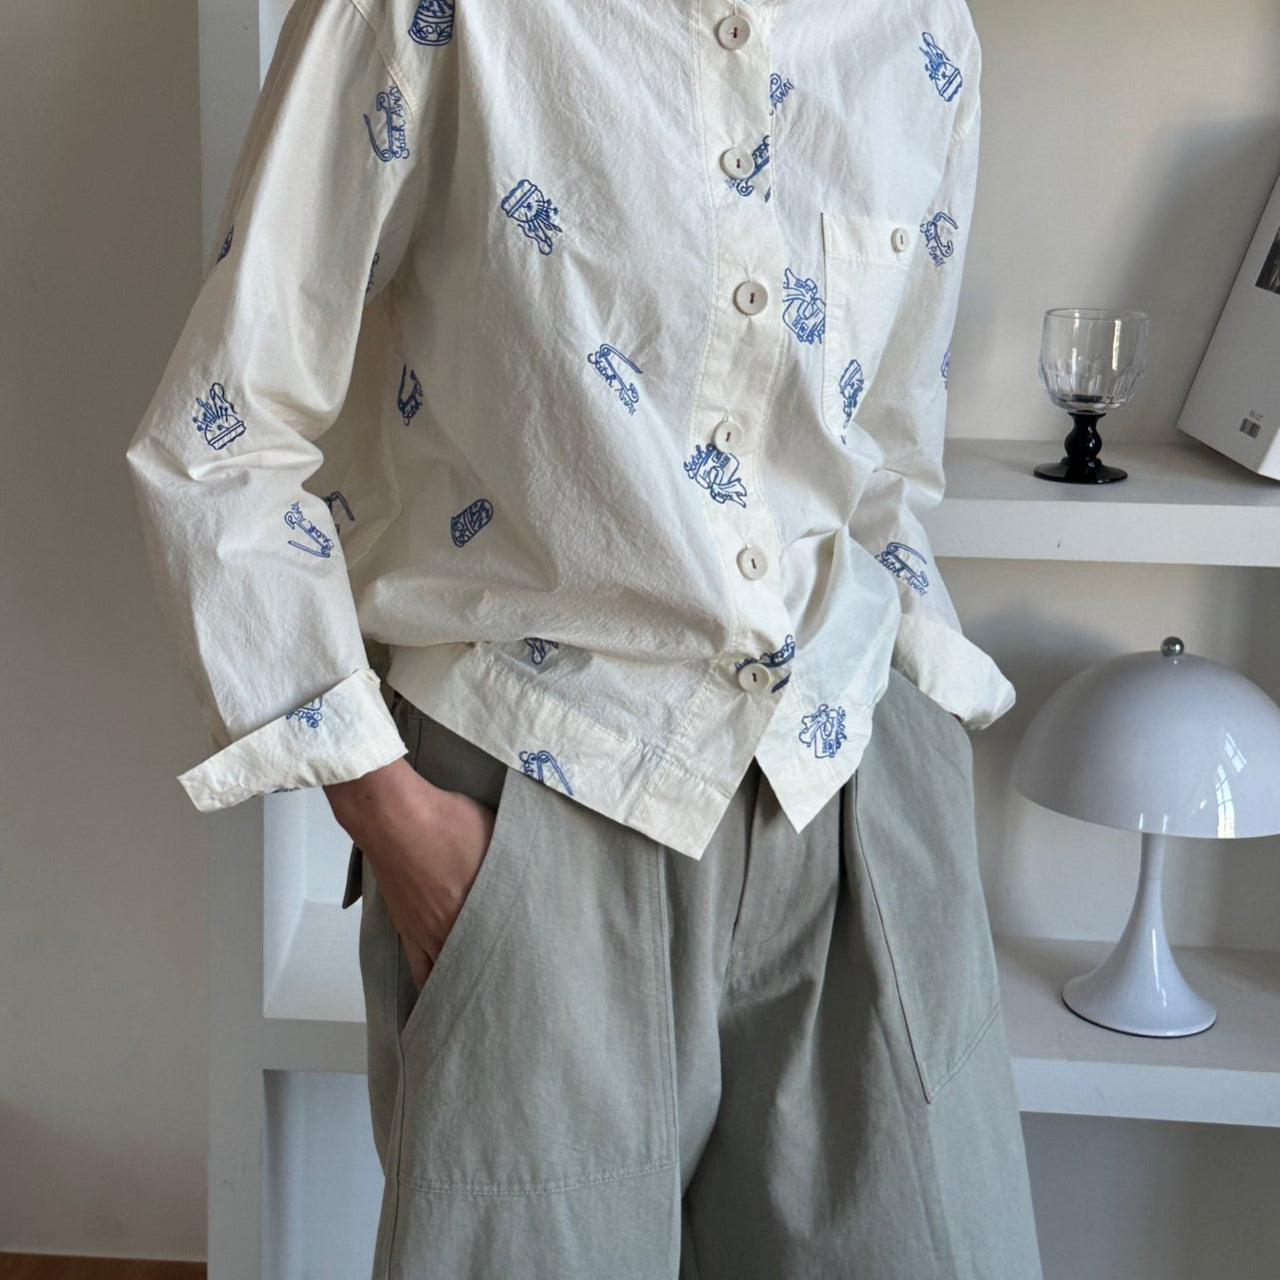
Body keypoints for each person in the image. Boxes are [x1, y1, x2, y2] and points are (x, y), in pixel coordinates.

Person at [126, 0, 1044, 1275]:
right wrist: (393, 817)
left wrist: (920, 759)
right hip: (532, 804)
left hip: (846, 788)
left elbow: (887, 455)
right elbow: (220, 436)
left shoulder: (916, 26)